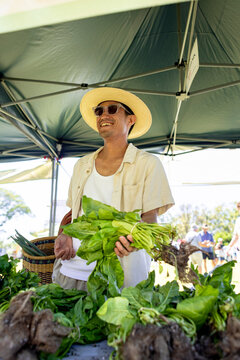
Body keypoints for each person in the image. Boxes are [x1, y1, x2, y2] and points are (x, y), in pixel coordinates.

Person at [52, 87, 174, 290]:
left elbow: (150, 217)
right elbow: (74, 213)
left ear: (131, 119)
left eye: (112, 109)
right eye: (99, 111)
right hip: (72, 271)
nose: (103, 115)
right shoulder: (81, 165)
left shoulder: (147, 163)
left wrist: (136, 240)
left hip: (121, 276)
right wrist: (64, 234)